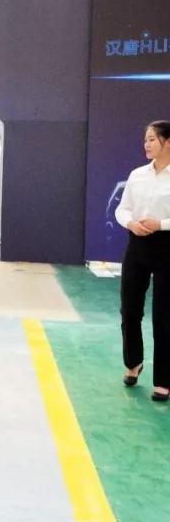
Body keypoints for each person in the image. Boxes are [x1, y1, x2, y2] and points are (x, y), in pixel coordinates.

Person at [115, 120, 170, 403]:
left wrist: (161, 224)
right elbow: (122, 209)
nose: (146, 144)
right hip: (137, 245)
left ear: (167, 142)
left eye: (152, 139)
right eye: (145, 139)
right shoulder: (137, 175)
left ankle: (164, 380)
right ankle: (133, 363)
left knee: (165, 315)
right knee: (129, 309)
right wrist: (131, 223)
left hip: (167, 247)